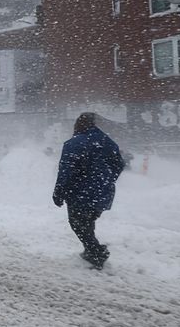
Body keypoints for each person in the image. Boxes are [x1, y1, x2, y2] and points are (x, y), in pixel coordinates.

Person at [52, 112, 125, 269]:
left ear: (78, 125)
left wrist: (59, 191)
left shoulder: (73, 144)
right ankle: (90, 249)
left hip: (79, 193)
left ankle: (96, 252)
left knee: (77, 223)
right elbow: (119, 164)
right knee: (87, 221)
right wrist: (107, 180)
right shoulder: (106, 141)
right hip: (102, 192)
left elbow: (66, 170)